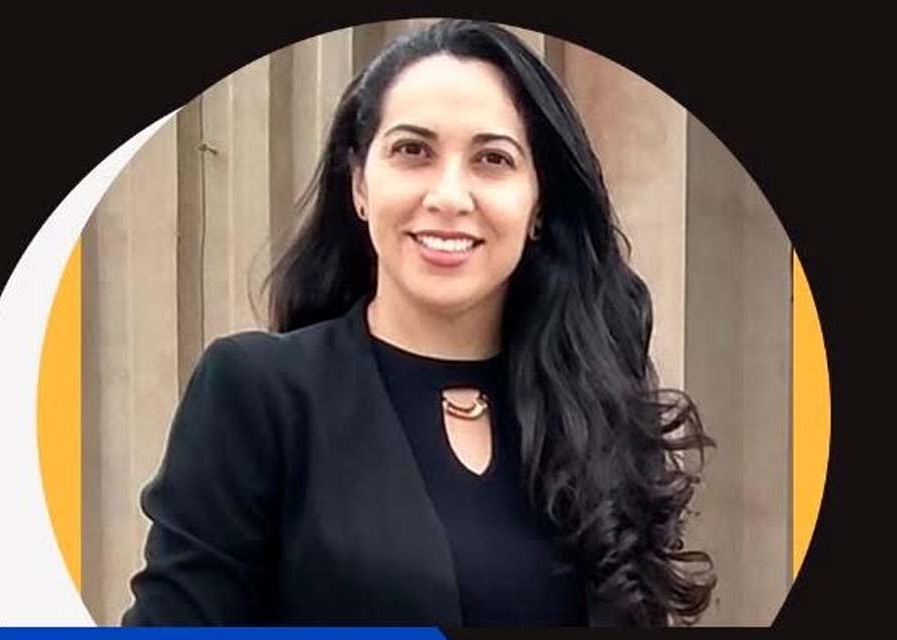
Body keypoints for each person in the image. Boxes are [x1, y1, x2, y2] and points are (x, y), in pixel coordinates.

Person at [121, 19, 715, 627]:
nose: (449, 196)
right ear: (359, 183)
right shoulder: (259, 394)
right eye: (413, 152)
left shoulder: (595, 411)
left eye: (492, 159)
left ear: (539, 203)